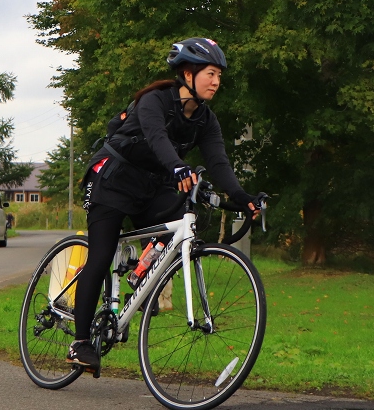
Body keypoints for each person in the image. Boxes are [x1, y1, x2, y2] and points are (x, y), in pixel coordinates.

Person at [66, 37, 261, 374]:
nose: (216, 82)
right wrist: (177, 166)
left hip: (151, 185)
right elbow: (157, 138)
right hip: (112, 179)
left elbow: (219, 164)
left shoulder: (205, 119)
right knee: (100, 255)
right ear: (188, 73)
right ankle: (80, 342)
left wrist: (244, 198)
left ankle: (140, 274)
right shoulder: (154, 100)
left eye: (219, 76)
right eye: (211, 73)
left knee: (178, 219)